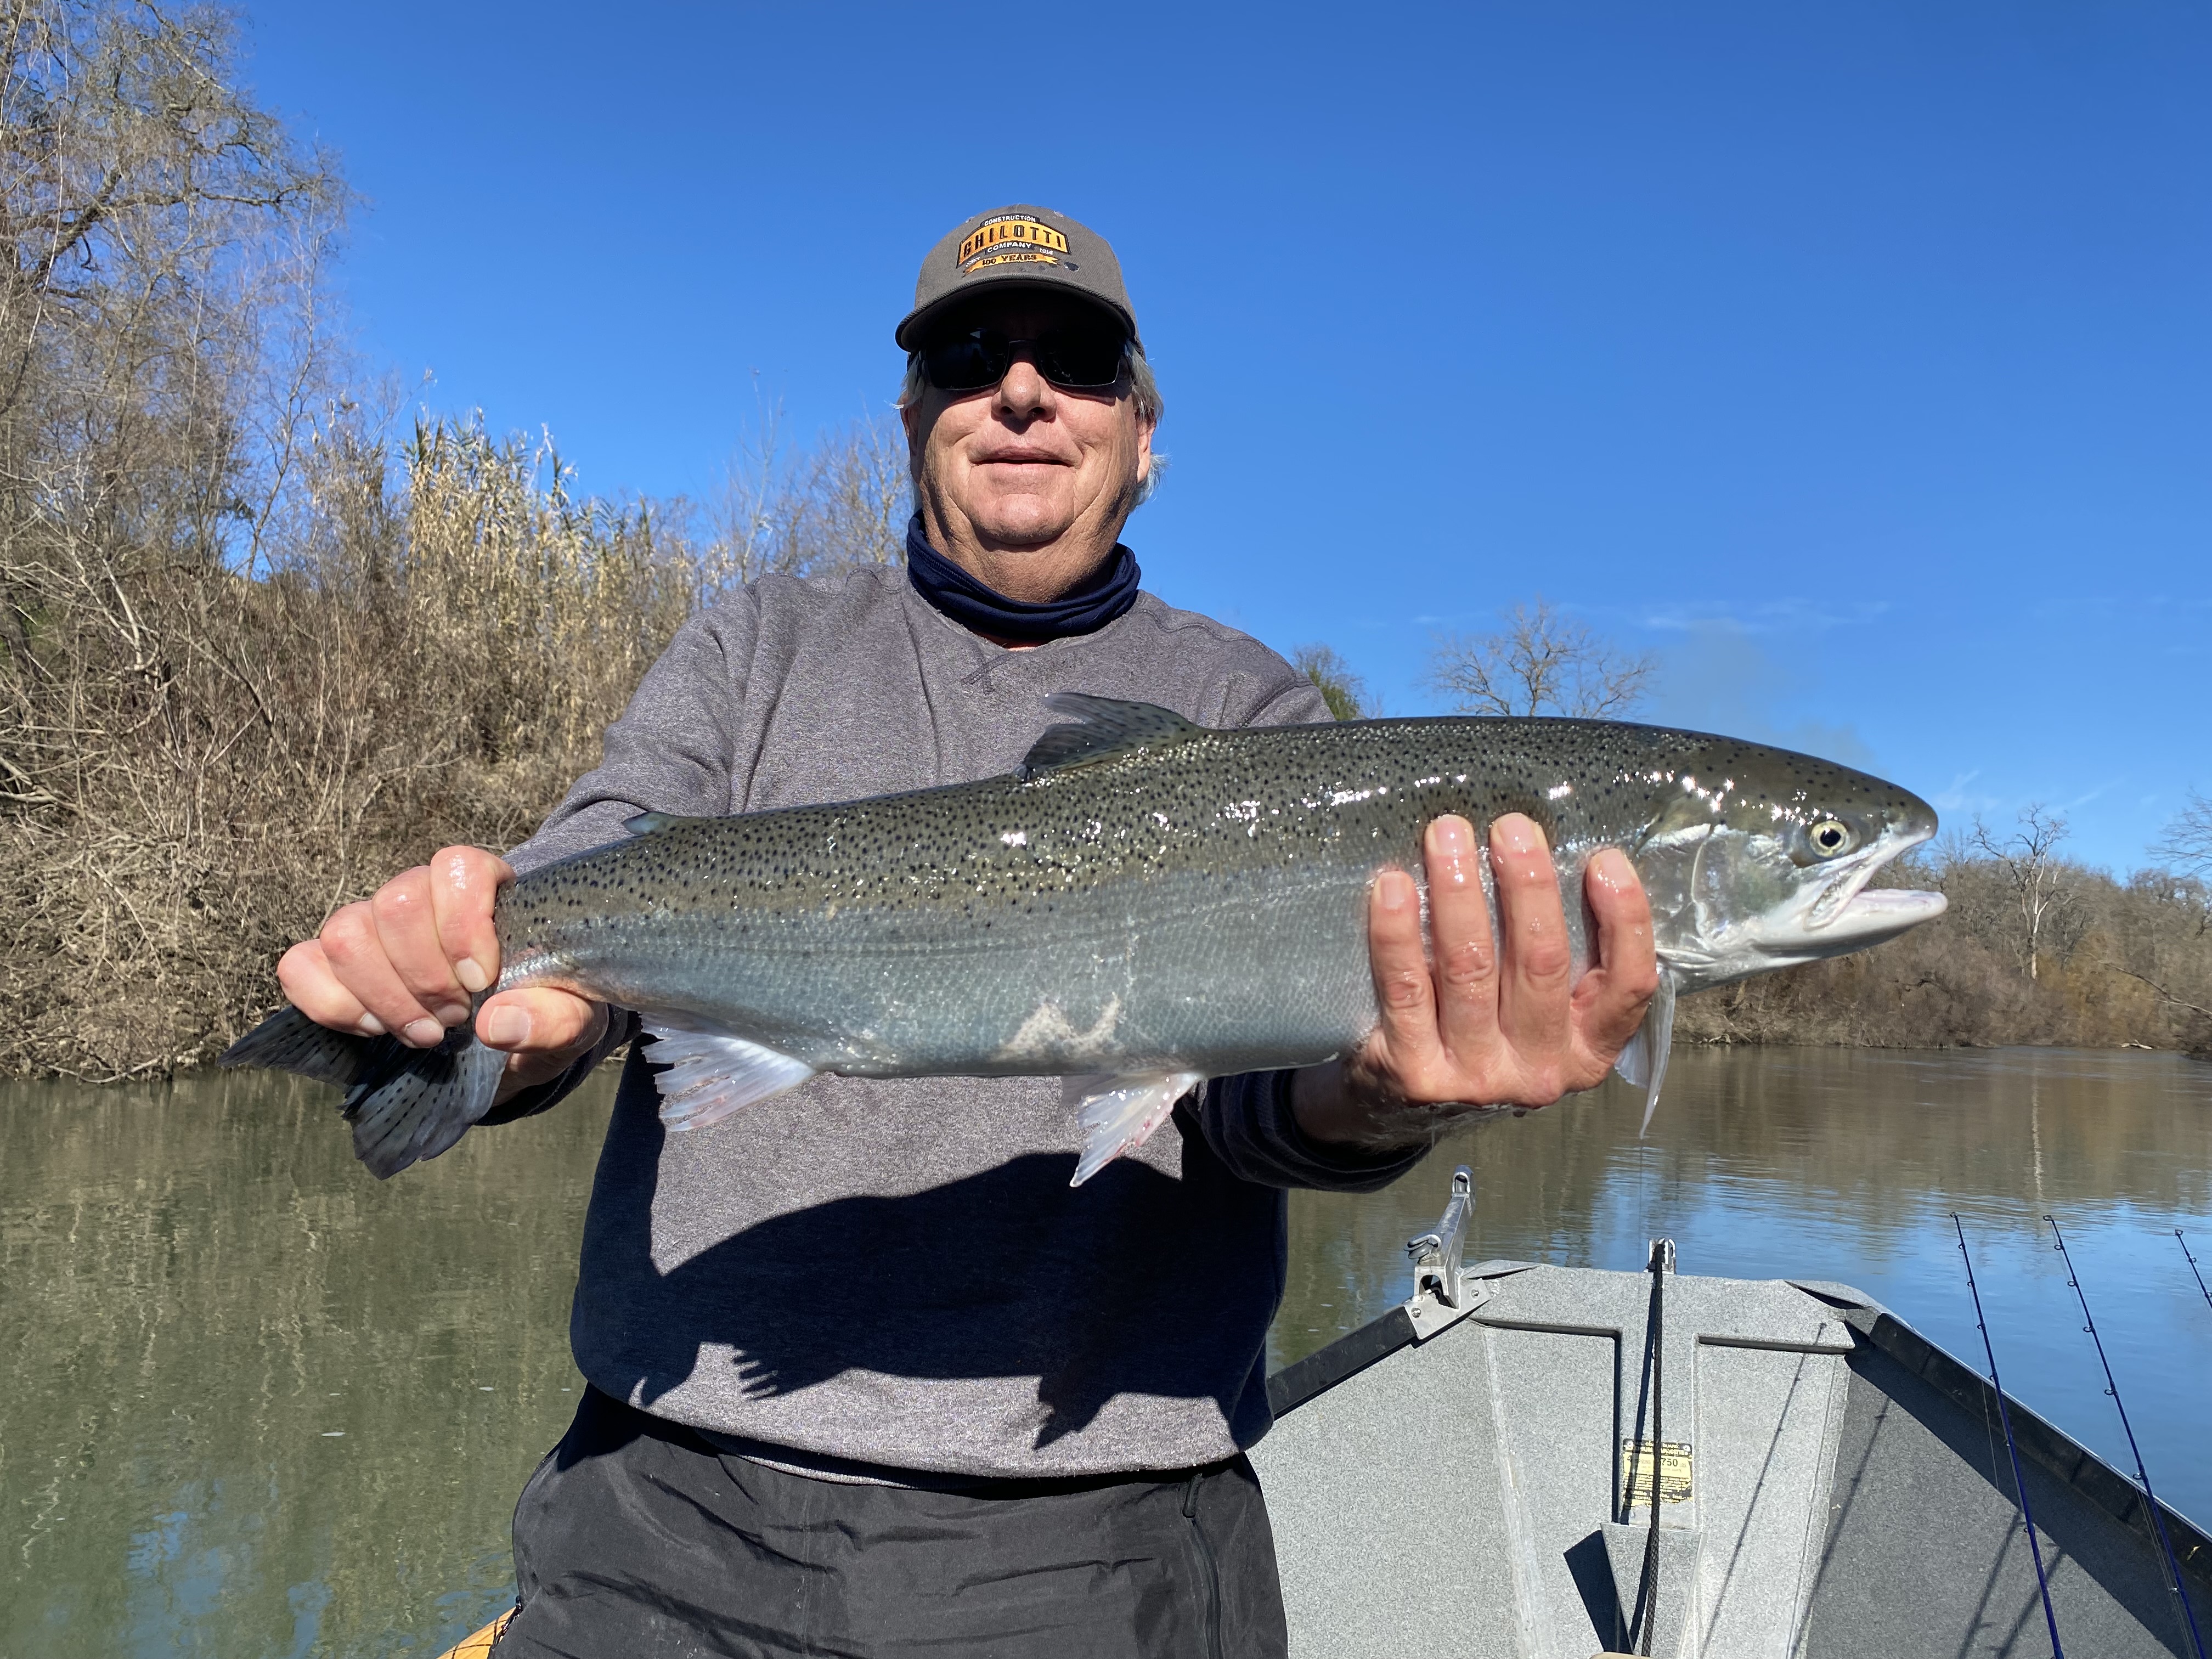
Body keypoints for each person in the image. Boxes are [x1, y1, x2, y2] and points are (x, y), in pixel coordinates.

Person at [278, 206, 1657, 1658]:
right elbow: (594, 875)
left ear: (1143, 432)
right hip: (662, 1505)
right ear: (911, 417)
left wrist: (1385, 1097)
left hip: (1100, 1541)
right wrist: (497, 1008)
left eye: (1077, 360)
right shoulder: (756, 643)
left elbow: (1256, 1109)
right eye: (970, 353)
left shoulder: (1253, 712)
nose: (1022, 389)